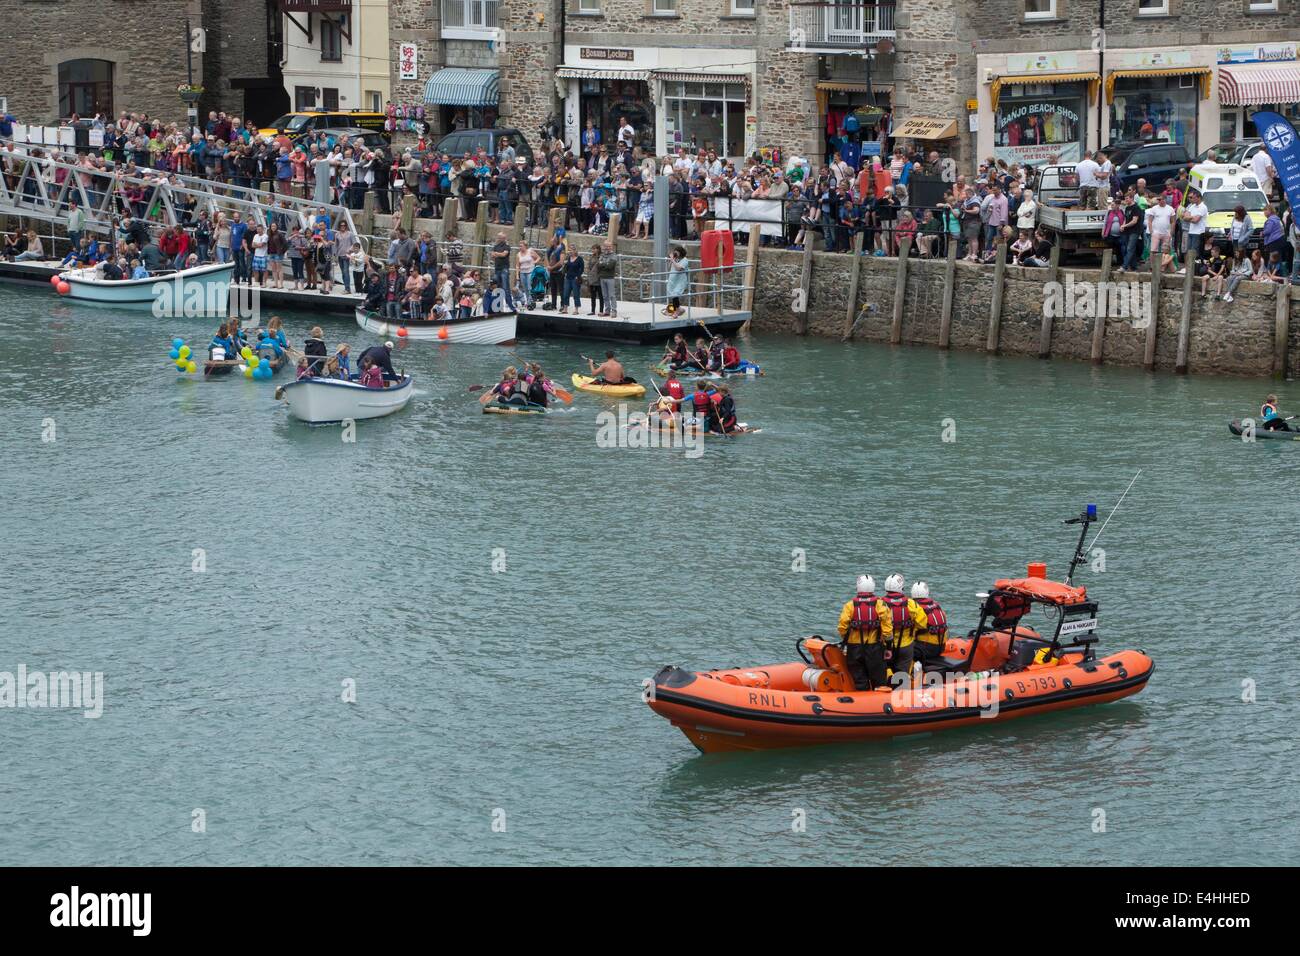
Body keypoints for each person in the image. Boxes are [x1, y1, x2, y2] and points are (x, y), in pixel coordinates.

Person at [836, 575, 887, 691]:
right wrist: (887, 644)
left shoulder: (849, 605)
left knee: (859, 679)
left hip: (854, 648)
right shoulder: (880, 604)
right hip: (874, 647)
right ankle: (879, 701)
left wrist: (847, 639)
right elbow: (887, 628)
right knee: (878, 678)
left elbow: (842, 626)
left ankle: (861, 698)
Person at [878, 573, 927, 685]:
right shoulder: (911, 604)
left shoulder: (880, 603)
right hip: (905, 646)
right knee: (903, 673)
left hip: (886, 645)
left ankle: (886, 686)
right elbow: (922, 623)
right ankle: (900, 693)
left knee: (884, 668)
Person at [909, 581, 949, 667]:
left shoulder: (915, 609)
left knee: (903, 648)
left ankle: (910, 671)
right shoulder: (936, 606)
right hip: (941, 647)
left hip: (926, 650)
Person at [665, 246, 689, 316]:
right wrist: (671, 260)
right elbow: (669, 268)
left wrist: (672, 260)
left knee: (675, 294)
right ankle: (679, 309)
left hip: (680, 281)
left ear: (680, 252)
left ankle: (677, 311)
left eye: (677, 252)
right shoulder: (676, 259)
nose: (676, 254)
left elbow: (679, 269)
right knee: (673, 295)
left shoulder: (685, 260)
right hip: (673, 280)